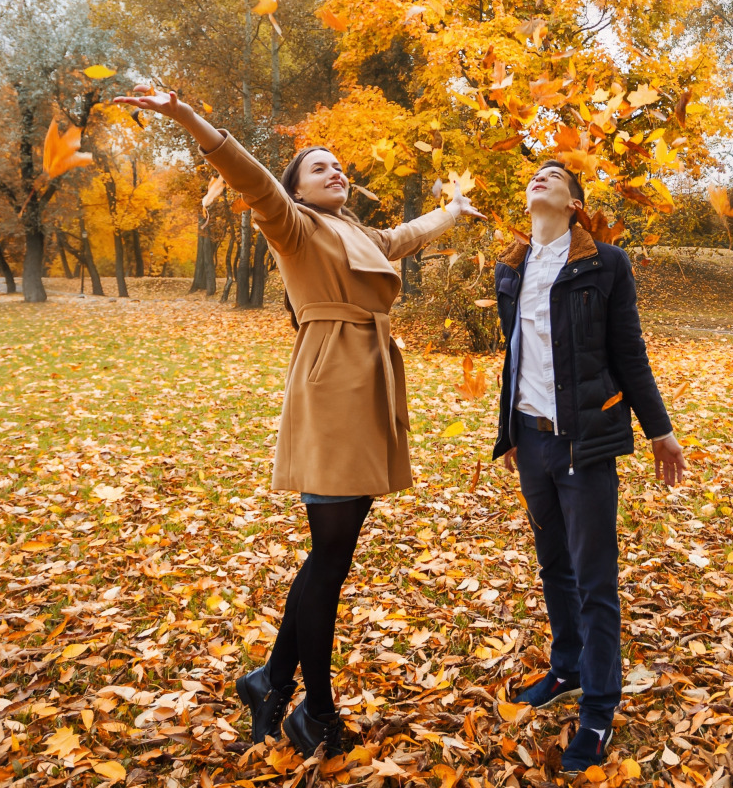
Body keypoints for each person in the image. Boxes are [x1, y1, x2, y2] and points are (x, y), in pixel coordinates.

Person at [114, 86, 482, 757]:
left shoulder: (357, 231)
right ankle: (314, 705)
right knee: (329, 556)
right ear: (297, 190)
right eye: (319, 167)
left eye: (340, 164)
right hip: (334, 385)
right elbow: (248, 176)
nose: (336, 171)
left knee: (332, 557)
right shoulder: (293, 225)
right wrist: (190, 117)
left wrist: (452, 211)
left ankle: (273, 682)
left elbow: (404, 236)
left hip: (366, 381)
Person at [491, 160, 686, 774]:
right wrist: (514, 429)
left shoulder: (607, 265)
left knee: (595, 578)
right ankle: (567, 667)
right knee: (553, 565)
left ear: (574, 203)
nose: (539, 177)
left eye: (555, 175)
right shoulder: (512, 266)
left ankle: (599, 708)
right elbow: (516, 357)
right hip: (532, 438)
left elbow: (629, 353)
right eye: (534, 174)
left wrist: (660, 431)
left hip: (586, 443)